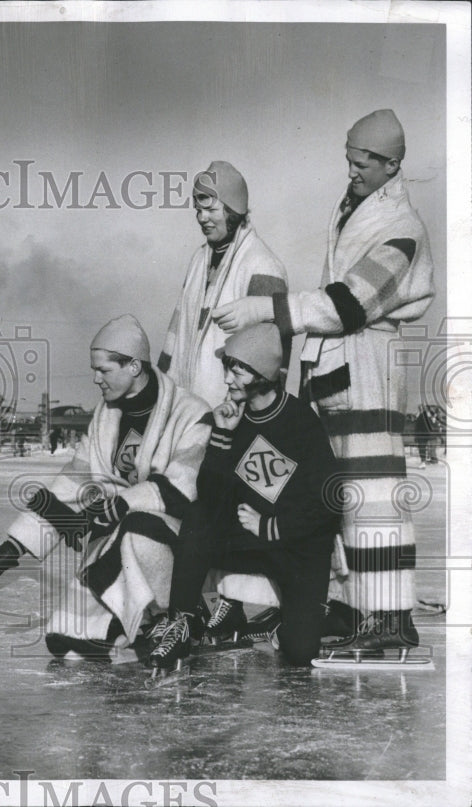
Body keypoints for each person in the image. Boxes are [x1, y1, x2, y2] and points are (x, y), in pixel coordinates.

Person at [213, 109, 436, 654]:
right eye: (349, 161)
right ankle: (350, 603)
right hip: (338, 368)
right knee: (329, 492)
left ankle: (388, 616)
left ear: (392, 164)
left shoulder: (402, 230)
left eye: (362, 164)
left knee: (371, 494)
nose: (351, 172)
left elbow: (346, 305)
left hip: (369, 369)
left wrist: (263, 310)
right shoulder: (358, 210)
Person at [0, 315, 211, 659]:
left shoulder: (191, 413)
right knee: (66, 638)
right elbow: (73, 483)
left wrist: (119, 505)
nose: (95, 379)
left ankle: (175, 615)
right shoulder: (107, 415)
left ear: (134, 366)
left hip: (172, 542)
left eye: (103, 370)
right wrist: (7, 553)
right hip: (118, 544)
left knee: (135, 528)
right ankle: (140, 622)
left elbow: (182, 489)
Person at [149, 324, 340, 670]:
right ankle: (180, 622)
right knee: (198, 516)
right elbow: (209, 498)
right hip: (249, 541)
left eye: (237, 369)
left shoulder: (301, 422)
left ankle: (312, 619)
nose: (227, 379)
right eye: (228, 368)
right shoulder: (234, 418)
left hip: (296, 547)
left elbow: (329, 502)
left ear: (262, 374)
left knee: (299, 653)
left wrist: (271, 526)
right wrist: (222, 437)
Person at [158, 161, 288, 406]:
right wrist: (161, 395)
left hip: (229, 413)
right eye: (198, 210)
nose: (201, 218)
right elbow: (175, 334)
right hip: (185, 411)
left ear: (234, 210)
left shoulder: (263, 266)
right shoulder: (198, 260)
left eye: (211, 210)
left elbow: (270, 359)